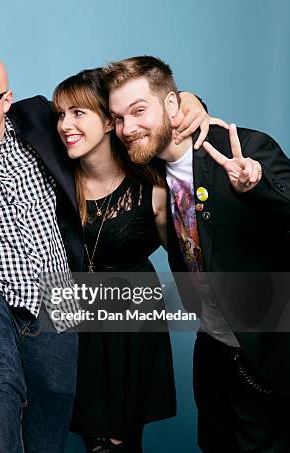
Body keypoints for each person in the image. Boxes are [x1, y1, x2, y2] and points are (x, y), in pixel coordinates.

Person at [0, 52, 208, 453]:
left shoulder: (42, 121)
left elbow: (121, 100)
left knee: (60, 396)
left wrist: (188, 101)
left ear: (6, 101)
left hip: (73, 298)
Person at [104, 55, 290, 452]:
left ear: (171, 105)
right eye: (118, 118)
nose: (127, 128)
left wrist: (256, 188)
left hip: (265, 357)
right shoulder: (145, 171)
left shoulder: (242, 149)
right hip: (213, 357)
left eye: (138, 111)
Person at [53, 69, 176, 452]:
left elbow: (194, 257)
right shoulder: (55, 178)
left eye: (78, 113)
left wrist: (189, 104)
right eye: (60, 114)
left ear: (109, 121)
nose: (65, 125)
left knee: (118, 444)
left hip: (129, 331)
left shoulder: (153, 188)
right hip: (73, 324)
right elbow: (22, 114)